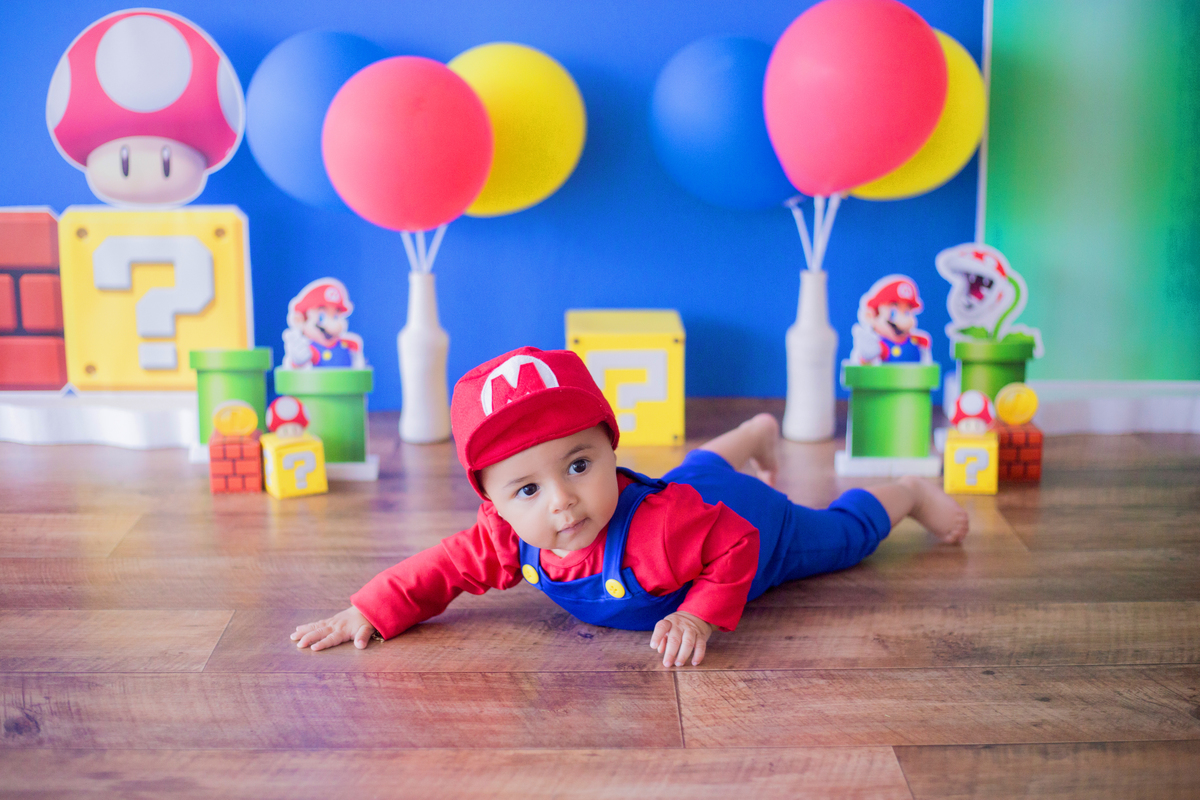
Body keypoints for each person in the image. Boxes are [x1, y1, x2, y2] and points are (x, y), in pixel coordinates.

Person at [291, 347, 967, 667]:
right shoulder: (503, 537)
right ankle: (757, 433)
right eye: (527, 489)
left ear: (611, 451)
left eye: (580, 465)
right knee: (696, 468)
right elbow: (441, 568)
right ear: (493, 502)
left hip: (755, 528)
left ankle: (906, 492)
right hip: (693, 494)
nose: (562, 501)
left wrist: (699, 615)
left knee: (840, 538)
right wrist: (371, 608)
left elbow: (733, 544)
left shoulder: (659, 532)